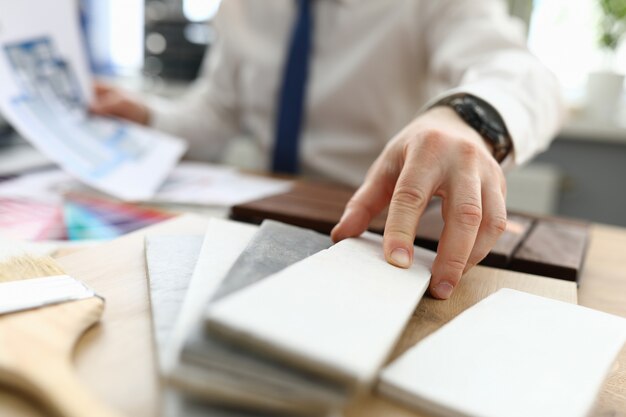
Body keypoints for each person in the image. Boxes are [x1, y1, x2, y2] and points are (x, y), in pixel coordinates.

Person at [91, 0, 564, 300]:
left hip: (392, 242)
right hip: (266, 225)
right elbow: (217, 111)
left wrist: (466, 117)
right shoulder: (240, 8)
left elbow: (522, 72)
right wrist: (148, 115)